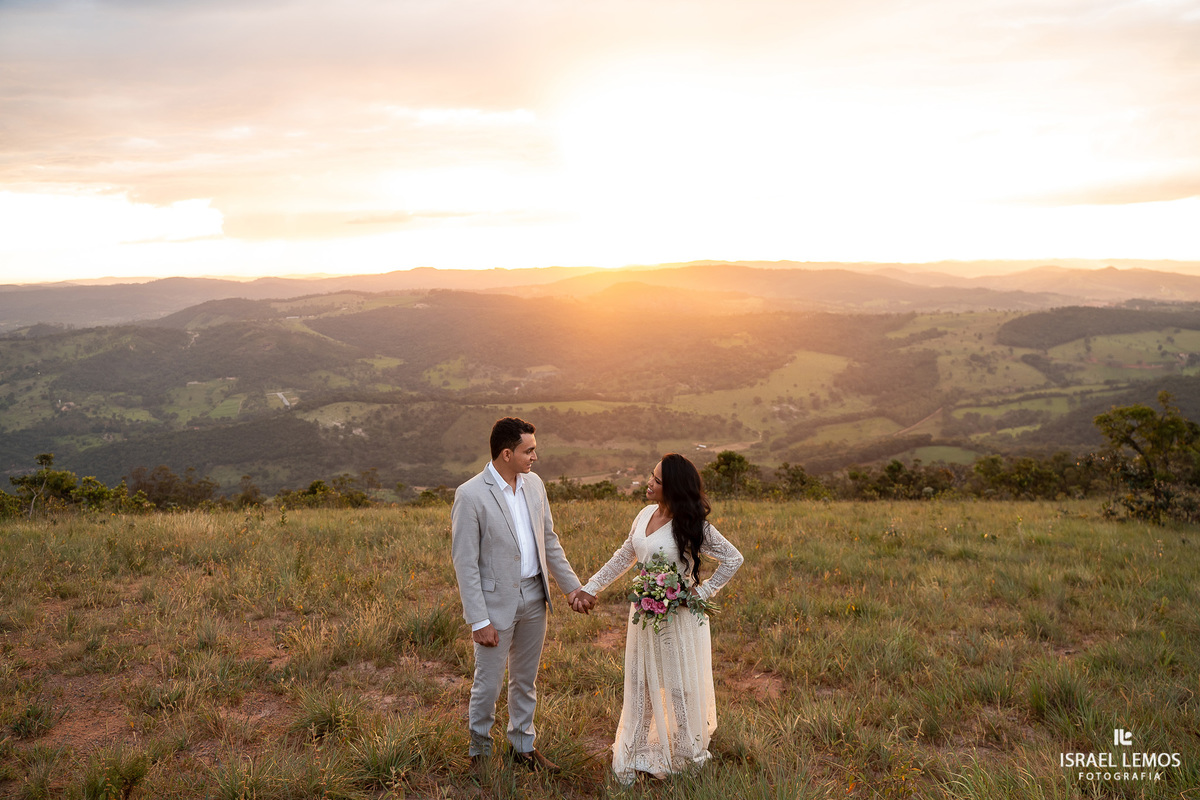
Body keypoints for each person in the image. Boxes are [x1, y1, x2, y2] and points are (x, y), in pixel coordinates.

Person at [573, 453, 743, 784]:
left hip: (678, 619)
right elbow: (625, 554)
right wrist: (591, 588)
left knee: (677, 684)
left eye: (657, 480)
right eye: (650, 476)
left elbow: (733, 558)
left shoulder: (692, 525)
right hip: (644, 615)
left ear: (674, 488)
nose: (649, 483)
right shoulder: (644, 513)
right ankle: (637, 748)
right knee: (642, 681)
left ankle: (684, 752)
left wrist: (700, 594)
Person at [450, 417, 594, 776]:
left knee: (525, 680)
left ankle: (522, 748)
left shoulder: (535, 485)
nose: (535, 456)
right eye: (529, 450)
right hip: (494, 605)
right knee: (488, 683)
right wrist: (478, 620)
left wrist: (572, 588)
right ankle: (480, 753)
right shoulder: (470, 495)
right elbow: (464, 563)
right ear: (506, 453)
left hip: (535, 597)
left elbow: (549, 541)